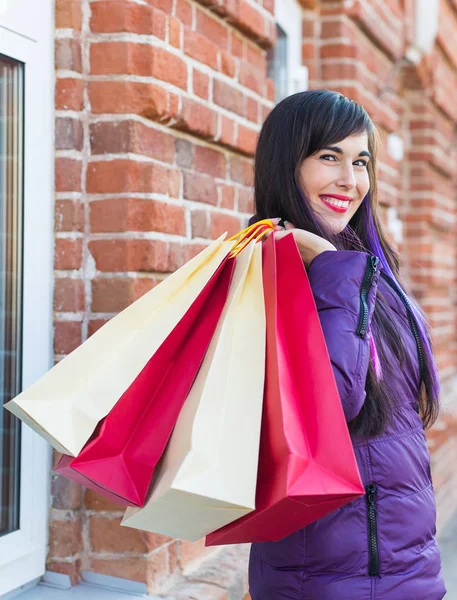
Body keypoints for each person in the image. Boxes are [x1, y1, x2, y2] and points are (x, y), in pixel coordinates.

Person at [248, 90, 446, 600]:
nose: (350, 180)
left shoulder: (361, 266)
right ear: (287, 164)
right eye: (328, 157)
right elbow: (329, 407)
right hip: (330, 579)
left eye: (360, 161)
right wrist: (330, 270)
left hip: (406, 568)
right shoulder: (267, 272)